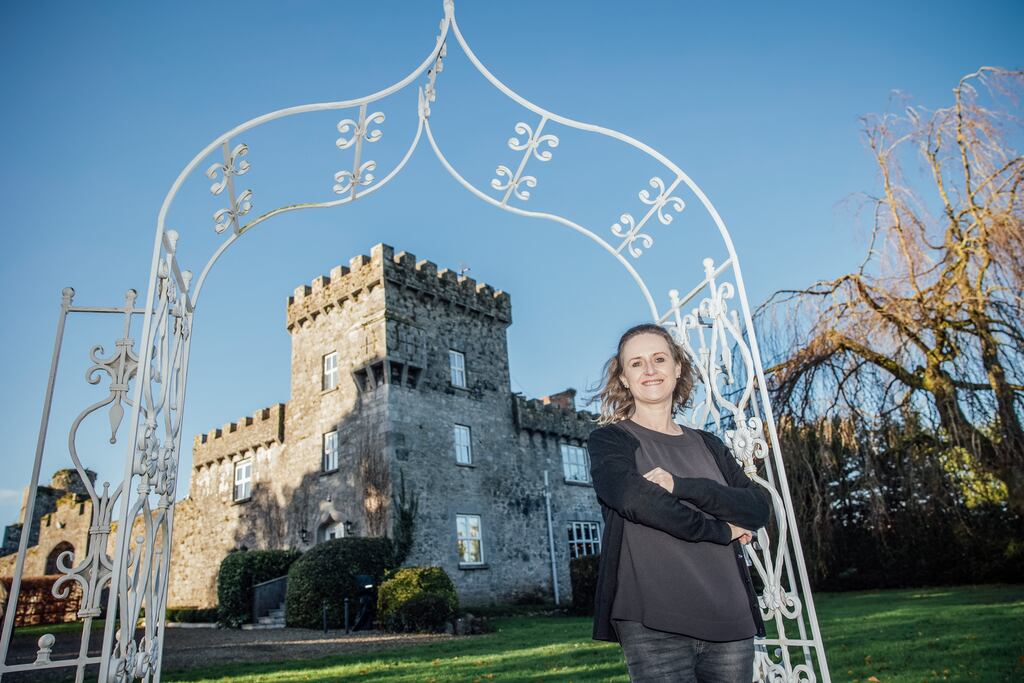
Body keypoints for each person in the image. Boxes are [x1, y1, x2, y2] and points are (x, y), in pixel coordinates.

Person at [587, 322, 771, 682]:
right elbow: (635, 499)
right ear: (623, 378)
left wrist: (680, 486)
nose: (650, 370)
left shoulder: (710, 445)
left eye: (659, 358)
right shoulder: (610, 441)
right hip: (654, 623)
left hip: (730, 617)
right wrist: (721, 530)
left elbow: (757, 508)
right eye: (636, 363)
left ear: (677, 368)